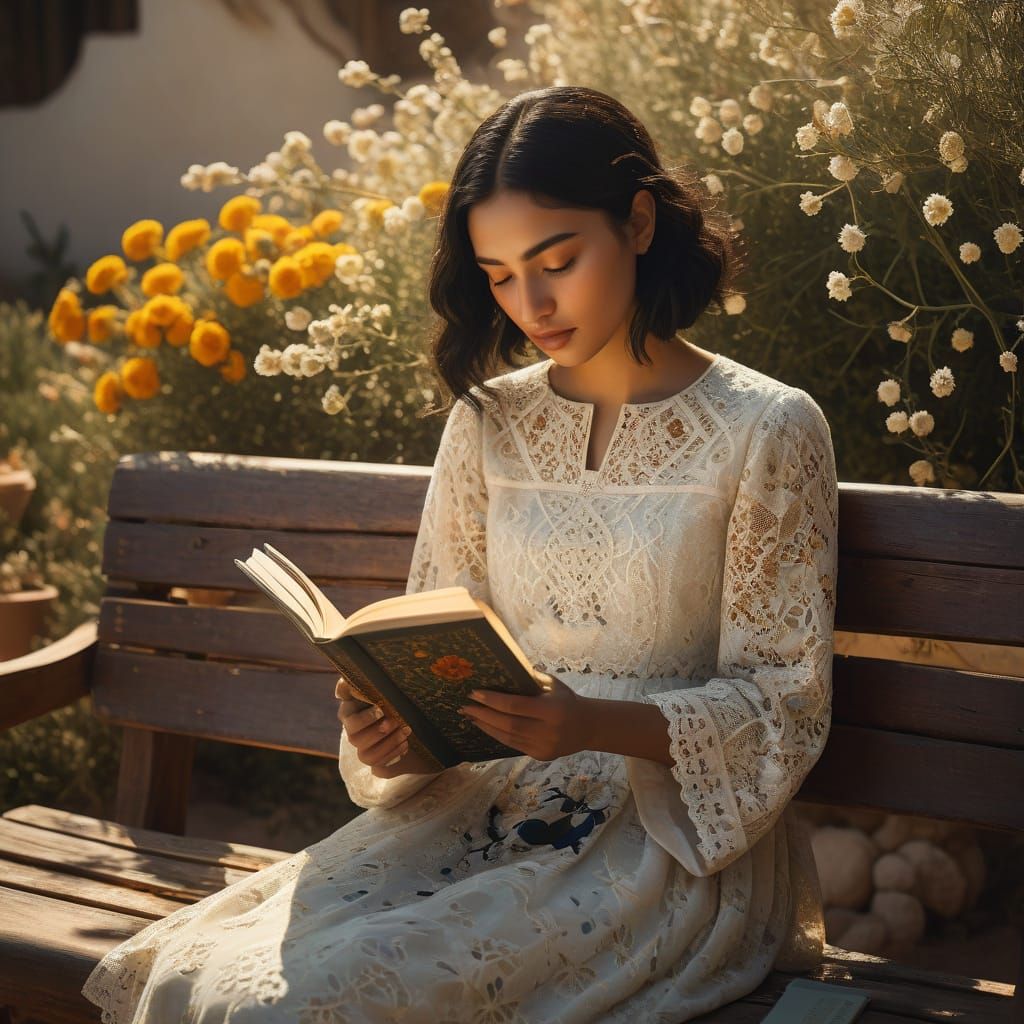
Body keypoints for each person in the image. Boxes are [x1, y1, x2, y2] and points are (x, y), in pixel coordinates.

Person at [81, 84, 839, 1023]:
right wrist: (394, 724)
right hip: (475, 809)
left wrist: (595, 723)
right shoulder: (487, 424)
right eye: (499, 274)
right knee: (209, 980)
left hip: (664, 852)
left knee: (304, 1006)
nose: (533, 303)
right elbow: (437, 631)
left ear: (639, 222)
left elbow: (783, 703)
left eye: (557, 260)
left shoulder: (767, 427)